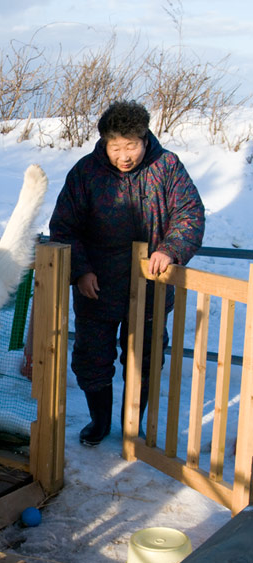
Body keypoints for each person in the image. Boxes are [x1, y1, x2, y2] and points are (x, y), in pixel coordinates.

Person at [49, 100, 205, 446]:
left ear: (145, 139)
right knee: (92, 357)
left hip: (150, 286)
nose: (124, 155)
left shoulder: (166, 168)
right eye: (115, 147)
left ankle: (133, 424)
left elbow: (190, 214)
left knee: (146, 357)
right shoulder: (85, 173)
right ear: (105, 142)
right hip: (97, 286)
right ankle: (99, 422)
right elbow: (64, 227)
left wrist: (170, 249)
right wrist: (80, 271)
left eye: (131, 146)